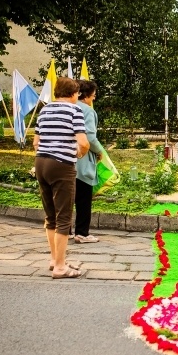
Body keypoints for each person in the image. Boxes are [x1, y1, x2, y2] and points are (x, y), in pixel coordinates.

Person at [33, 77, 89, 279]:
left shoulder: (44, 110)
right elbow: (83, 142)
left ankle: (55, 259)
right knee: (64, 216)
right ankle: (60, 268)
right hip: (62, 165)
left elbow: (36, 142)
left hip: (41, 163)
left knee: (50, 216)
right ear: (74, 93)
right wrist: (79, 153)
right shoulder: (75, 111)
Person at [74, 80, 104, 243]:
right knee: (84, 198)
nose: (94, 98)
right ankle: (82, 233)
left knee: (67, 198)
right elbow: (90, 138)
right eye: (93, 95)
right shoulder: (87, 111)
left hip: (65, 159)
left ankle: (66, 231)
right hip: (82, 158)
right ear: (87, 95)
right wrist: (100, 151)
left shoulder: (68, 107)